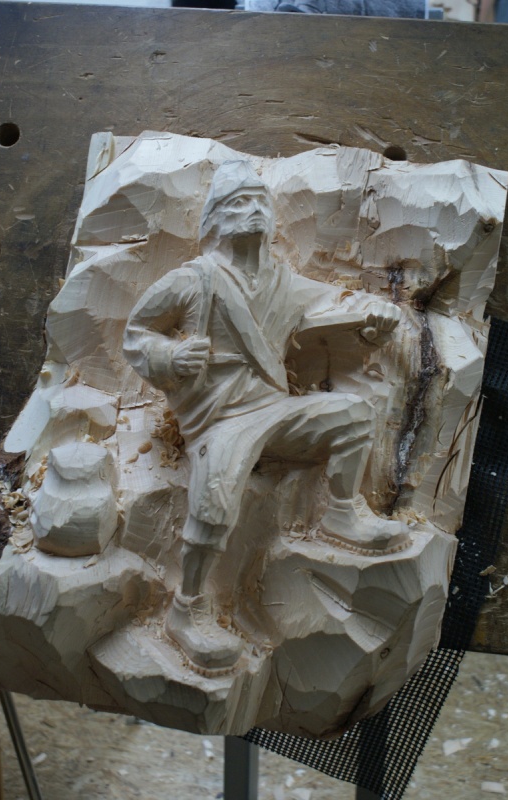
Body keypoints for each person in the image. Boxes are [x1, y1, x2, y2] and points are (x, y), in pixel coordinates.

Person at [123, 161, 411, 671]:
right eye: (238, 202)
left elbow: (338, 302)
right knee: (214, 499)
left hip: (274, 410)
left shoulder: (284, 282)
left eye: (259, 201)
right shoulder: (193, 280)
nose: (252, 210)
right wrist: (170, 356)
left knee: (351, 414)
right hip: (220, 420)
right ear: (215, 217)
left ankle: (342, 512)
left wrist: (376, 316)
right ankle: (186, 609)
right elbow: (136, 334)